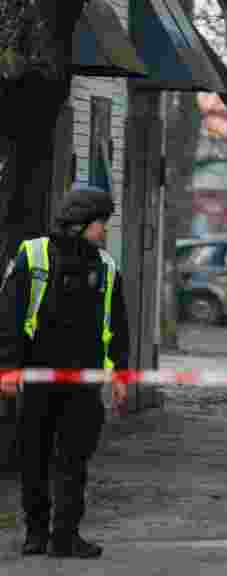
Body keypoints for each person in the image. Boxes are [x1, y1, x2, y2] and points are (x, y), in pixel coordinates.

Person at [0, 183, 130, 558]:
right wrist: (8, 367)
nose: (104, 230)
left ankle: (65, 534)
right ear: (78, 223)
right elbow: (9, 316)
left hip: (84, 382)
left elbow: (116, 327)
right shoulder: (34, 255)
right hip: (37, 377)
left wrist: (120, 374)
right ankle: (36, 532)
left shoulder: (106, 267)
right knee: (34, 455)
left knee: (74, 458)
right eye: (100, 223)